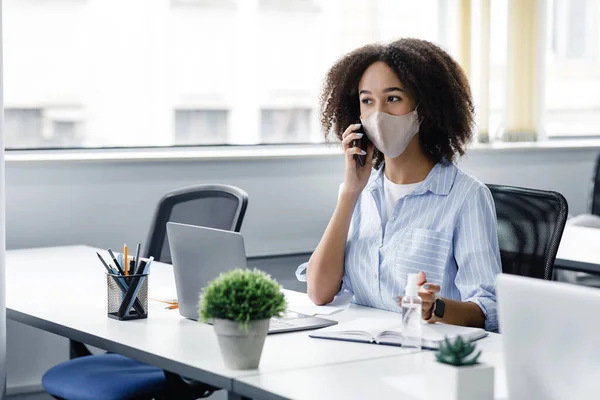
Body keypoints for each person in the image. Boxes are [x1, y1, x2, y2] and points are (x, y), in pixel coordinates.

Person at [296, 38, 502, 332]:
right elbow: (318, 292)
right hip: (362, 350)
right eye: (367, 101)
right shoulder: (360, 192)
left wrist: (436, 307)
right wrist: (350, 193)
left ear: (426, 106)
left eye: (393, 98)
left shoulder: (466, 196)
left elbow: (490, 310)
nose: (378, 115)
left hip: (427, 354)